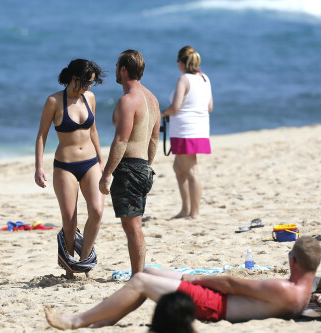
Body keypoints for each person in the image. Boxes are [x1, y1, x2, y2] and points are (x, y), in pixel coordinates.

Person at [44, 236, 321, 329]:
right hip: (223, 303)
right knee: (151, 271)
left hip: (215, 306)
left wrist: (193, 277)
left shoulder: (284, 288)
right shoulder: (304, 289)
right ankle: (105, 320)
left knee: (141, 280)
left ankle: (76, 321)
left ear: (294, 261)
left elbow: (230, 284)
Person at [35, 59, 105, 279]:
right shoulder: (54, 101)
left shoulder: (90, 98)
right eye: (87, 82)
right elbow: (41, 135)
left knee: (97, 211)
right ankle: (69, 271)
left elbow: (93, 131)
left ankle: (84, 261)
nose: (90, 86)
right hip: (65, 166)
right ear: (75, 78)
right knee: (69, 221)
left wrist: (102, 162)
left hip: (91, 163)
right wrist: (38, 167)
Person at [98, 50, 161, 276]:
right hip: (143, 166)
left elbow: (121, 140)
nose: (115, 69)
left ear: (123, 70)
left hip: (129, 168)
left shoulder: (128, 101)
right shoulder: (152, 99)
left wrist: (107, 174)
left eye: (116, 66)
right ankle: (139, 273)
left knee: (133, 228)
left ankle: (137, 276)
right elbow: (154, 139)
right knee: (134, 226)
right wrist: (147, 166)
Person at [161, 46, 213, 220]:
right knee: (178, 168)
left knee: (191, 171)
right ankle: (186, 209)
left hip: (185, 130)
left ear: (182, 63)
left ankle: (194, 213)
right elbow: (210, 107)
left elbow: (175, 107)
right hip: (199, 129)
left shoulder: (184, 79)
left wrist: (163, 113)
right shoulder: (204, 78)